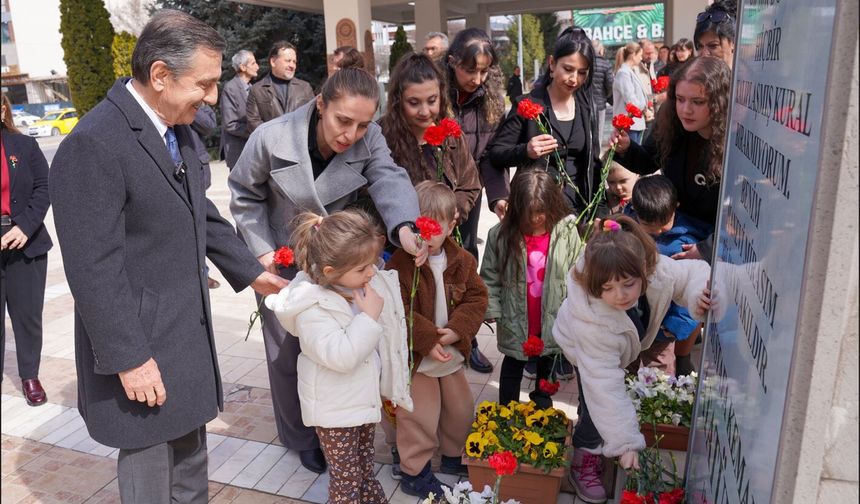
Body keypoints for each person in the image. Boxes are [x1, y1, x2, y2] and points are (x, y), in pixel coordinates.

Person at [48, 10, 287, 503]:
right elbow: (93, 268)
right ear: (160, 75)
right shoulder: (94, 145)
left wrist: (251, 273)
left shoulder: (179, 129)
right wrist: (129, 359)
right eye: (203, 83)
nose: (212, 97)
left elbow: (200, 213)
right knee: (152, 477)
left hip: (184, 336)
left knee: (190, 470)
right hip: (142, 345)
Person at [228, 64, 428, 474]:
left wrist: (405, 226)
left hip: (340, 261)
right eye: (342, 120)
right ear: (321, 104)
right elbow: (243, 194)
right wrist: (264, 253)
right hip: (283, 260)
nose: (350, 135)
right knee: (285, 352)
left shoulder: (368, 137)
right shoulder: (271, 136)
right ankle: (300, 436)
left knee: (338, 348)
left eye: (362, 124)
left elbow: (389, 177)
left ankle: (338, 428)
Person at [553, 215, 713, 504]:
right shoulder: (591, 321)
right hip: (583, 347)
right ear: (593, 285)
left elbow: (692, 273)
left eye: (628, 284)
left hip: (626, 340)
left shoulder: (656, 269)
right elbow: (603, 384)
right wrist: (626, 441)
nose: (620, 295)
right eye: (608, 289)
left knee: (617, 391)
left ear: (643, 270)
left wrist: (698, 295)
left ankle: (611, 438)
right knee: (593, 403)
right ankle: (584, 457)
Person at [265, 210, 412, 504]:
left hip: (361, 404)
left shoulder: (353, 288)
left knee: (364, 472)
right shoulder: (312, 308)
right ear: (330, 271)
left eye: (372, 263)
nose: (371, 272)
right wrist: (369, 319)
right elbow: (341, 356)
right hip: (336, 413)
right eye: (362, 269)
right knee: (347, 484)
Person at [386, 181, 488, 498]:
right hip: (419, 358)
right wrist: (427, 337)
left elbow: (477, 299)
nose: (425, 237)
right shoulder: (400, 265)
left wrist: (458, 330)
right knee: (418, 413)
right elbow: (396, 309)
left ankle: (453, 454)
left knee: (459, 409)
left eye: (435, 227)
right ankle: (413, 469)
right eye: (418, 228)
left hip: (451, 351)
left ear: (451, 224)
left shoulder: (463, 261)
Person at [610, 56, 731, 262]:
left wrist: (707, 249)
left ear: (720, 102)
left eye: (698, 102)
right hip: (672, 225)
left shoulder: (734, 143)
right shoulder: (671, 124)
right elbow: (648, 162)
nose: (686, 109)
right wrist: (626, 149)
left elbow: (740, 217)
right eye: (680, 99)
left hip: (712, 239)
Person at [480, 169, 583, 408]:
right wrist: (493, 309)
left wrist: (576, 310)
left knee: (547, 363)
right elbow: (489, 276)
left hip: (552, 314)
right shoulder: (500, 235)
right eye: (529, 213)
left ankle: (542, 407)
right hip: (515, 314)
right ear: (516, 208)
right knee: (513, 364)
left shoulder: (566, 233)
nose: (536, 219)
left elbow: (577, 271)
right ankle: (507, 410)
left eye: (541, 212)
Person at [485, 27, 602, 215]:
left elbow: (594, 164)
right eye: (568, 69)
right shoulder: (526, 104)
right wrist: (526, 151)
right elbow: (496, 154)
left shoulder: (587, 108)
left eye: (582, 72)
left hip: (578, 212)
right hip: (535, 212)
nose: (574, 79)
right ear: (552, 64)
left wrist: (599, 211)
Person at [444, 27, 505, 373]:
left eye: (484, 71)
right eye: (471, 70)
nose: (477, 78)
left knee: (466, 263)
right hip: (434, 198)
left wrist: (498, 198)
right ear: (452, 63)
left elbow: (490, 157)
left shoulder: (489, 100)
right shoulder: (436, 94)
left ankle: (468, 338)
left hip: (469, 196)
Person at [378, 52, 481, 233]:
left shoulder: (451, 135)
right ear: (398, 100)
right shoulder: (380, 138)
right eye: (414, 103)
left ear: (441, 96)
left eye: (432, 101)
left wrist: (452, 210)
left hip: (443, 241)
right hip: (396, 247)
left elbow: (469, 185)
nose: (425, 111)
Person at [629, 175, 712, 377]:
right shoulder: (626, 229)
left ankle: (656, 407)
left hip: (662, 328)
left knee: (659, 375)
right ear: (634, 210)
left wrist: (676, 324)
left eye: (663, 223)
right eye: (648, 224)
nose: (657, 230)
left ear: (676, 207)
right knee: (622, 368)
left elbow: (693, 287)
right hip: (628, 322)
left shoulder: (686, 243)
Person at [0, 92, 52, 407]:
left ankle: (30, 376)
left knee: (27, 316)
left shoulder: (24, 146)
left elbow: (44, 187)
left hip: (24, 242)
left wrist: (25, 226)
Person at [246, 40, 315, 133]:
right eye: (288, 61)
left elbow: (313, 118)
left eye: (294, 62)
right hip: (271, 145)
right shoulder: (257, 90)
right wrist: (277, 138)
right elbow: (253, 122)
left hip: (299, 144)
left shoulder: (305, 88)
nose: (292, 65)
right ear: (273, 61)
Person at [220, 49, 258, 171]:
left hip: (255, 152)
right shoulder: (230, 89)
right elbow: (230, 124)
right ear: (242, 67)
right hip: (238, 153)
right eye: (253, 63)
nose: (257, 67)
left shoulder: (254, 89)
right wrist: (256, 131)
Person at [612, 42, 651, 144]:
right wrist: (644, 109)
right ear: (634, 55)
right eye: (640, 55)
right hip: (629, 123)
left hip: (635, 123)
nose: (641, 58)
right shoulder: (624, 73)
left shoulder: (629, 71)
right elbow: (630, 99)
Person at [694, 0, 738, 69]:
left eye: (713, 46)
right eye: (700, 46)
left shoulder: (748, 77)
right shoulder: (692, 77)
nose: (705, 54)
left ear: (733, 43)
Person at [590, 40, 614, 143]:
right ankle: (596, 156)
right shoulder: (605, 64)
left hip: (585, 103)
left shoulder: (585, 62)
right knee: (598, 133)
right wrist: (606, 96)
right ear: (601, 50)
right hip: (600, 104)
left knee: (587, 132)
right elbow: (610, 85)